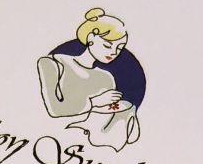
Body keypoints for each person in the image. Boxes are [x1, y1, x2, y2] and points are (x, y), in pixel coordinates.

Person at [36, 8, 140, 151]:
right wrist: (94, 102)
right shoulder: (52, 63)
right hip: (51, 140)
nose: (113, 52)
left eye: (120, 48)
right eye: (107, 45)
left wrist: (127, 112)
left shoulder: (106, 77)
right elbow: (55, 109)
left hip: (91, 146)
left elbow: (101, 120)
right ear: (91, 38)